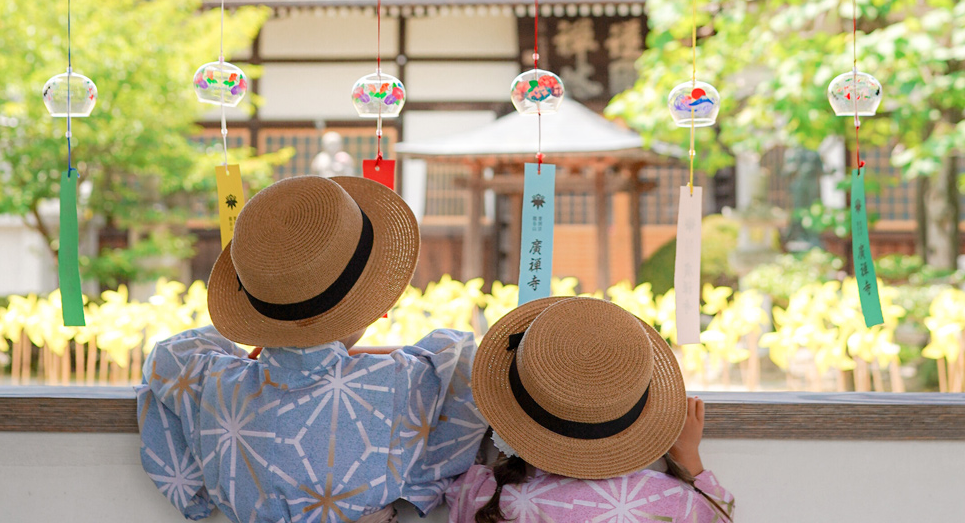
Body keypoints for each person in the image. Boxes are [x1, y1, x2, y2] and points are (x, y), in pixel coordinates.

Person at [136, 175, 486, 523]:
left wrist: (255, 342)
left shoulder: (215, 384)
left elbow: (168, 355)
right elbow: (461, 360)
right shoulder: (395, 382)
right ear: (362, 305)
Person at [447, 295, 734, 523]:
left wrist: (508, 442)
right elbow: (717, 514)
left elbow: (456, 495)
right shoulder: (673, 501)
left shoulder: (489, 499)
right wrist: (688, 456)